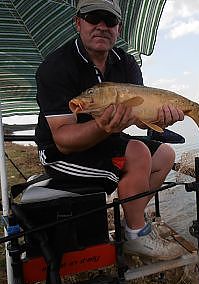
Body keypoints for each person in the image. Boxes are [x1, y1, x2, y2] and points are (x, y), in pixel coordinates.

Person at [35, 0, 185, 260]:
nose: (102, 26)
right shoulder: (55, 67)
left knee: (165, 156)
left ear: (119, 28)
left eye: (110, 20)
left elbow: (139, 119)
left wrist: (160, 120)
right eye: (94, 18)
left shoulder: (125, 63)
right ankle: (138, 234)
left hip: (105, 142)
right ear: (78, 22)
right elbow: (63, 140)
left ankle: (131, 226)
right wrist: (103, 127)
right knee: (138, 151)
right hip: (61, 153)